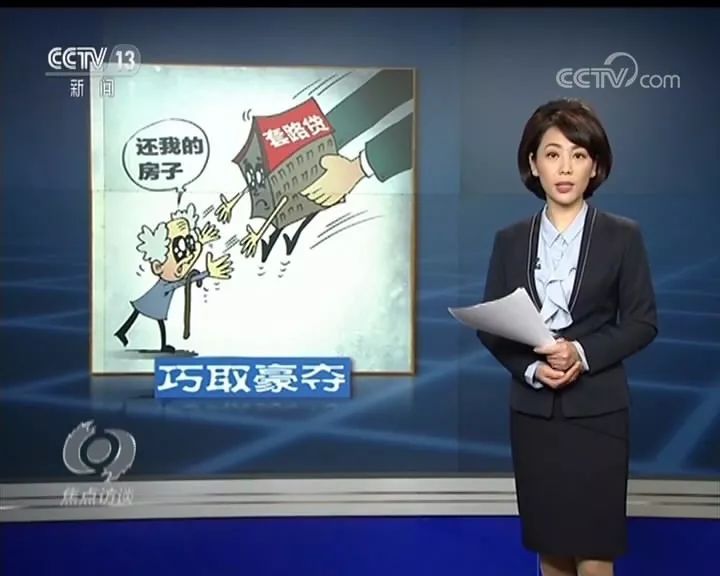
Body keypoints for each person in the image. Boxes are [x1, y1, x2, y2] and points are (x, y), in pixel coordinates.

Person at [476, 98, 658, 576]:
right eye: (552, 154)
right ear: (533, 163)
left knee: (595, 552)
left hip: (599, 414)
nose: (565, 168)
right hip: (534, 416)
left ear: (594, 166)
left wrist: (580, 352)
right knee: (551, 548)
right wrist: (533, 369)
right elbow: (492, 325)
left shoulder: (622, 236)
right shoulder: (510, 240)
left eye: (578, 155)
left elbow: (642, 321)